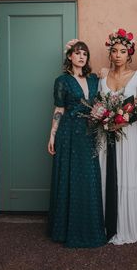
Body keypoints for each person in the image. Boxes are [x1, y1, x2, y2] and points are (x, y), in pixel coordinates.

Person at [48, 39, 107, 248]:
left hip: (89, 133)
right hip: (68, 134)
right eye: (78, 53)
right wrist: (52, 135)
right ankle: (65, 229)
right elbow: (59, 110)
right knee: (69, 177)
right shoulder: (62, 81)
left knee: (88, 178)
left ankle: (89, 227)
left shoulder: (94, 79)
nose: (82, 56)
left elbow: (102, 101)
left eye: (85, 54)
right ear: (70, 57)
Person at [99, 28, 137, 245]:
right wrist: (106, 120)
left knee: (126, 174)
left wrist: (121, 121)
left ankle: (127, 225)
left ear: (129, 54)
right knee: (106, 173)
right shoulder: (102, 76)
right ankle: (105, 224)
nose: (118, 54)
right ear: (110, 54)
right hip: (106, 134)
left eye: (123, 51)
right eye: (115, 51)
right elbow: (98, 104)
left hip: (128, 133)